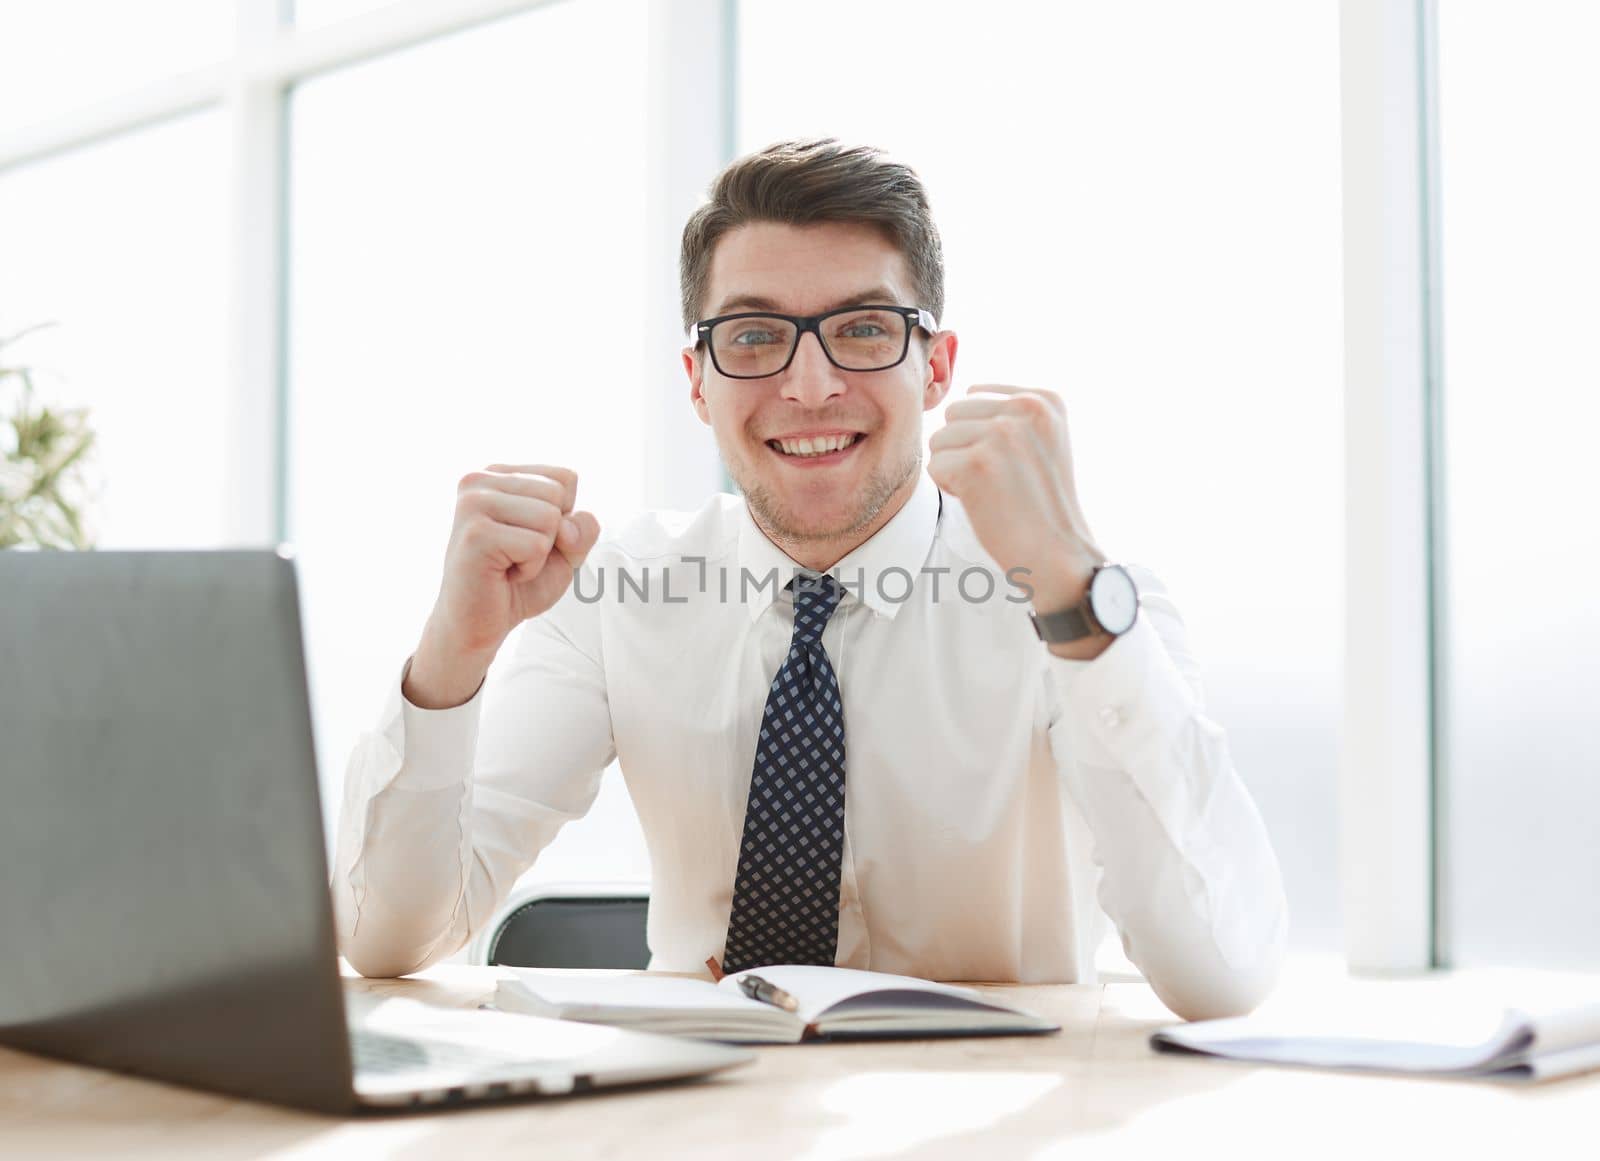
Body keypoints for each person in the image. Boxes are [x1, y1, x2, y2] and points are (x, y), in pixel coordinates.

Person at [332, 139, 1287, 1021]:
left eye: (864, 329)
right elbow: (392, 939)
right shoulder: (611, 594)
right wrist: (451, 656)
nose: (811, 384)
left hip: (987, 1103)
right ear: (698, 379)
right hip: (692, 1112)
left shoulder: (1079, 603)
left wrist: (1076, 592)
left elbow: (1220, 974)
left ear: (937, 364)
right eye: (753, 337)